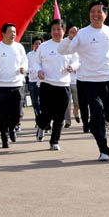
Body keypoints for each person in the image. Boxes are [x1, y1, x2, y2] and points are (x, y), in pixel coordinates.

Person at [58, 0, 109, 161]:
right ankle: (103, 149)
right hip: (89, 81)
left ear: (105, 14)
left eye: (99, 12)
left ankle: (102, 122)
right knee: (97, 114)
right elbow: (62, 50)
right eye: (93, 12)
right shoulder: (82, 34)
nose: (96, 15)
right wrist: (69, 38)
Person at [31, 19, 77, 151]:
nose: (56, 32)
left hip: (63, 85)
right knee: (47, 113)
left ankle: (54, 141)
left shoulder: (70, 46)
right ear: (50, 31)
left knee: (60, 116)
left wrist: (73, 66)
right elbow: (35, 62)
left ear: (64, 30)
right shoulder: (44, 46)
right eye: (53, 29)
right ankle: (41, 126)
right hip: (47, 84)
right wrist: (38, 70)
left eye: (59, 29)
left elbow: (77, 61)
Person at [0, 23, 28, 149]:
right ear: (3, 33)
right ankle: (4, 137)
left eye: (14, 32)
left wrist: (23, 68)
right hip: (1, 86)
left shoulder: (19, 47)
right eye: (10, 32)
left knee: (17, 114)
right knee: (2, 114)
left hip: (16, 85)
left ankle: (12, 128)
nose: (13, 34)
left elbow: (25, 61)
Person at [26, 36, 44, 121]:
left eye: (39, 43)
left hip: (43, 81)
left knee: (43, 101)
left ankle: (44, 120)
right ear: (33, 45)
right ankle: (38, 119)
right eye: (36, 44)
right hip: (33, 81)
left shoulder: (44, 53)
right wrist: (33, 70)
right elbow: (25, 67)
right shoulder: (29, 55)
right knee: (35, 102)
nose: (38, 45)